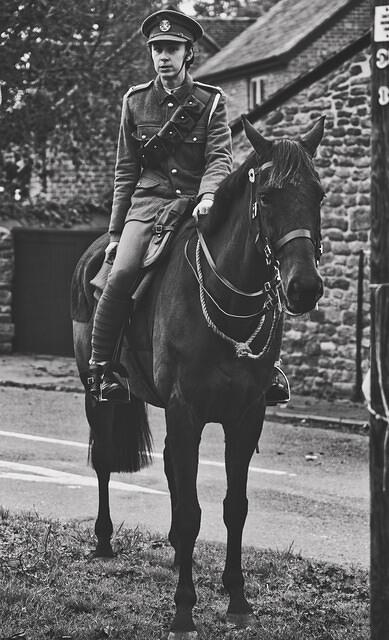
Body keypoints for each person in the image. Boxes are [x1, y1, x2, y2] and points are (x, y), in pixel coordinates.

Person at [87, 8, 290, 405]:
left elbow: (219, 157)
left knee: (255, 263)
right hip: (147, 206)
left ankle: (270, 368)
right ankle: (101, 369)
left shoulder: (210, 102)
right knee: (122, 272)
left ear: (188, 54)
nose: (163, 56)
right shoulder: (135, 102)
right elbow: (125, 170)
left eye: (172, 49)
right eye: (157, 49)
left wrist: (210, 195)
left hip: (197, 203)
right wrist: (115, 233)